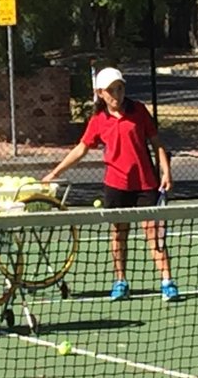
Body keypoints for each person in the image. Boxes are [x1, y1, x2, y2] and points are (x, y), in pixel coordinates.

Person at [42, 67, 179, 302]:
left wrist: (166, 172)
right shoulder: (98, 120)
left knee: (154, 234)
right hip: (115, 186)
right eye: (111, 90)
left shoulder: (139, 111)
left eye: (120, 88)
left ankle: (167, 282)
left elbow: (157, 143)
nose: (116, 94)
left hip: (146, 184)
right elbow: (81, 149)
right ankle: (120, 282)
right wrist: (54, 173)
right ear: (100, 93)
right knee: (118, 234)